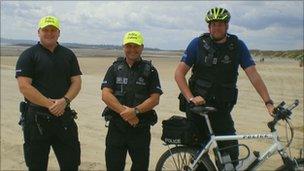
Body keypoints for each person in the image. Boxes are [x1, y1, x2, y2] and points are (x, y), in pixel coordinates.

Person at [175, 7, 275, 167]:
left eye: (220, 24)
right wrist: (191, 98)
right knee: (199, 155)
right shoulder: (197, 44)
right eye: (213, 24)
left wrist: (268, 102)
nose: (216, 27)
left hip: (222, 108)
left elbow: (254, 75)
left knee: (230, 154)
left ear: (227, 26)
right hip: (197, 109)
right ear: (209, 27)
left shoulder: (237, 46)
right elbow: (179, 74)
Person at [15, 16, 82, 171]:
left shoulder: (68, 54)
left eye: (53, 30)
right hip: (36, 120)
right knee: (36, 166)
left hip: (64, 118)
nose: (49, 33)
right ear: (39, 32)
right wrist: (50, 104)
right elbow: (24, 86)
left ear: (59, 33)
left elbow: (76, 82)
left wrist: (64, 101)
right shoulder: (28, 55)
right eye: (45, 30)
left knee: (71, 164)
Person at [101, 31, 163, 171]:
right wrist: (126, 113)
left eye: (136, 46)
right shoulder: (115, 68)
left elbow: (155, 99)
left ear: (142, 47)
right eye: (129, 46)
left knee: (140, 167)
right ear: (124, 47)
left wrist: (135, 111)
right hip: (116, 127)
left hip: (140, 128)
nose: (132, 49)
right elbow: (105, 94)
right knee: (113, 166)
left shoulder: (150, 71)